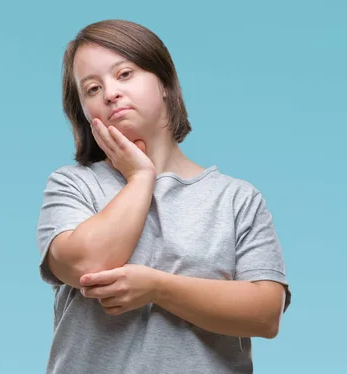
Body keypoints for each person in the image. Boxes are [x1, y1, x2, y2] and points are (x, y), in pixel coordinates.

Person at [36, 19, 291, 374]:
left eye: (124, 74)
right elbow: (86, 266)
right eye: (92, 89)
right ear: (83, 113)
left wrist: (158, 288)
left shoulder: (237, 199)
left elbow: (265, 314)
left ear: (166, 84)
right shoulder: (73, 186)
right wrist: (141, 177)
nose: (110, 93)